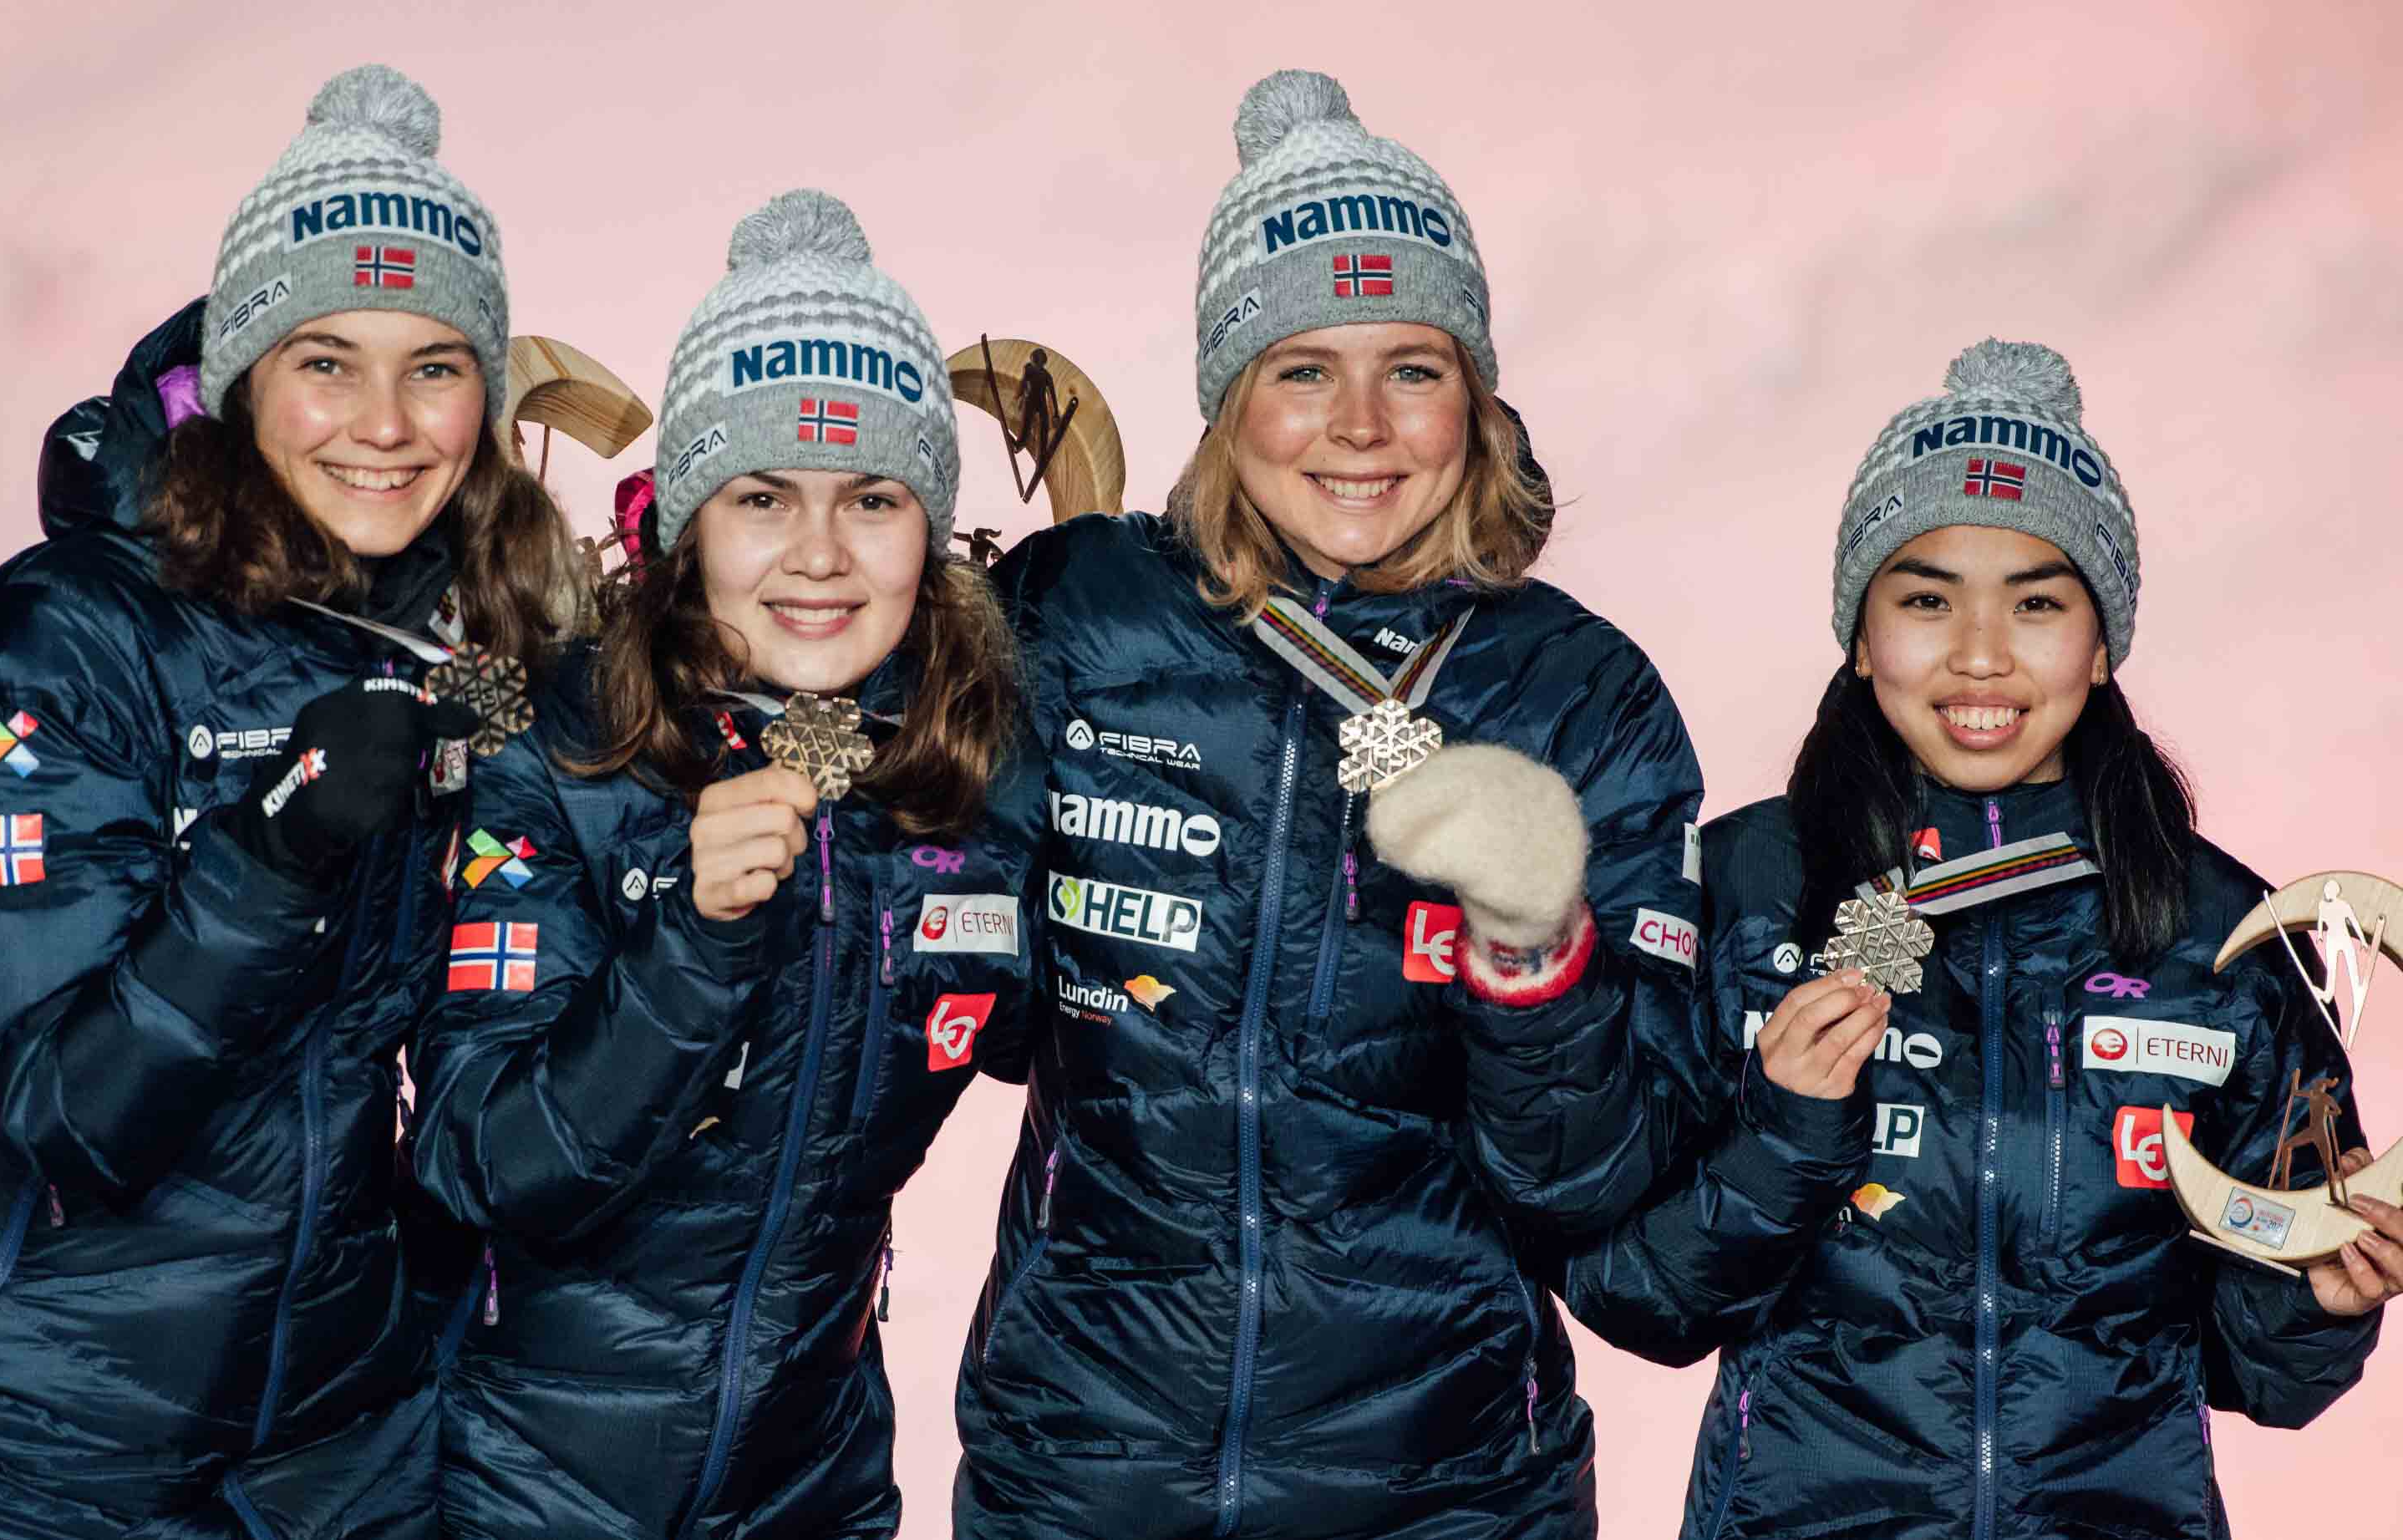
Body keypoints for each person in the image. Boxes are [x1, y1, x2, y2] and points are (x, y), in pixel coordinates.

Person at [953, 70, 1704, 1539]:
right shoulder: (1082, 619)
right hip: (1085, 1468)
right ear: (1229, 398)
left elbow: (1600, 1185)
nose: (1360, 427)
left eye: (1413, 369)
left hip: (1450, 1488)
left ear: (1477, 402)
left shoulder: (1582, 700)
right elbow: (969, 1018)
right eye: (1304, 368)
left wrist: (1529, 954)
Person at [0, 65, 570, 1537]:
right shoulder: (69, 638)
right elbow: (72, 1116)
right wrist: (286, 839)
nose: (385, 424)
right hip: (8, 1450)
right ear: (245, 375)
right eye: (327, 359)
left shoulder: (472, 633)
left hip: (315, 1457)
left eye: (436, 366)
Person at [1565, 339, 2399, 1540]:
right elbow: (1639, 1299)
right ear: (1860, 633)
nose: (1980, 653)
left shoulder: (2224, 935)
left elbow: (2262, 1380)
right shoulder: (1742, 896)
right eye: (1926, 598)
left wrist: (2318, 1305)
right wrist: (1790, 1126)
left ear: (2103, 643)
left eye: (2039, 602)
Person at [411, 190, 1042, 1539]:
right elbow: (486, 1167)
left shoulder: (970, 780)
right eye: (762, 497)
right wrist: (695, 940)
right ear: (687, 528)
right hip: (517, 1488)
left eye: (872, 498)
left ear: (929, 533)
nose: (818, 556)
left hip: (809, 1489)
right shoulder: (566, 755)